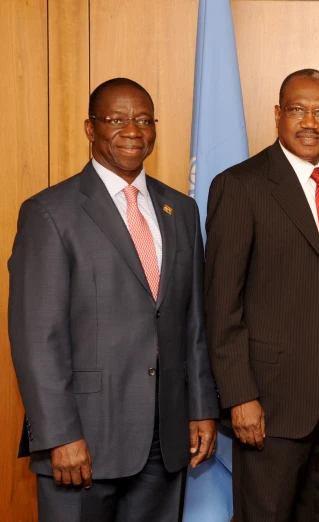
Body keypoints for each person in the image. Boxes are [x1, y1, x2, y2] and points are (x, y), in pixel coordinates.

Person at [8, 77, 219, 522]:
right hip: (83, 439)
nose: (132, 130)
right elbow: (36, 337)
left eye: (143, 120)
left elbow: (193, 322)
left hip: (165, 439)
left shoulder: (181, 210)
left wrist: (201, 408)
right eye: (117, 119)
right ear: (90, 128)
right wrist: (59, 434)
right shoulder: (49, 212)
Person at [205, 68, 319, 522]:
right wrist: (240, 396)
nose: (309, 122)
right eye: (298, 110)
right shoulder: (241, 185)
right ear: (278, 114)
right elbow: (222, 304)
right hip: (271, 394)